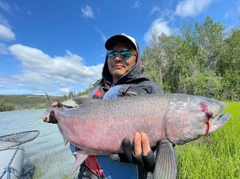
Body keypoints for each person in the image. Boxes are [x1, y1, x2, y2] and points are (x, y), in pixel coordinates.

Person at [43, 33, 163, 179]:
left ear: (136, 59)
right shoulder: (97, 89)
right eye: (112, 53)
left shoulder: (149, 90)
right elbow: (82, 113)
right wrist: (61, 112)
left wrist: (155, 158)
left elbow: (165, 140)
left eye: (125, 53)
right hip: (87, 173)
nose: (117, 58)